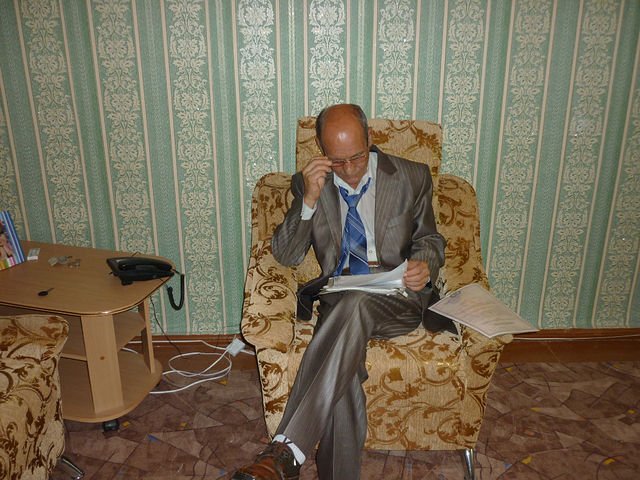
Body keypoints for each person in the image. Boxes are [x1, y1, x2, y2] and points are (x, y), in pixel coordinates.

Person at [232, 104, 451, 480]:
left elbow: (430, 238)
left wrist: (424, 263)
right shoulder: (308, 183)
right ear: (321, 149)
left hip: (398, 298)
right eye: (337, 161)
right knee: (342, 376)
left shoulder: (411, 176)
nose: (349, 170)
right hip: (340, 302)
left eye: (357, 157)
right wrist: (309, 200)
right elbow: (287, 255)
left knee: (356, 305)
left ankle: (286, 450)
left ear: (370, 139)